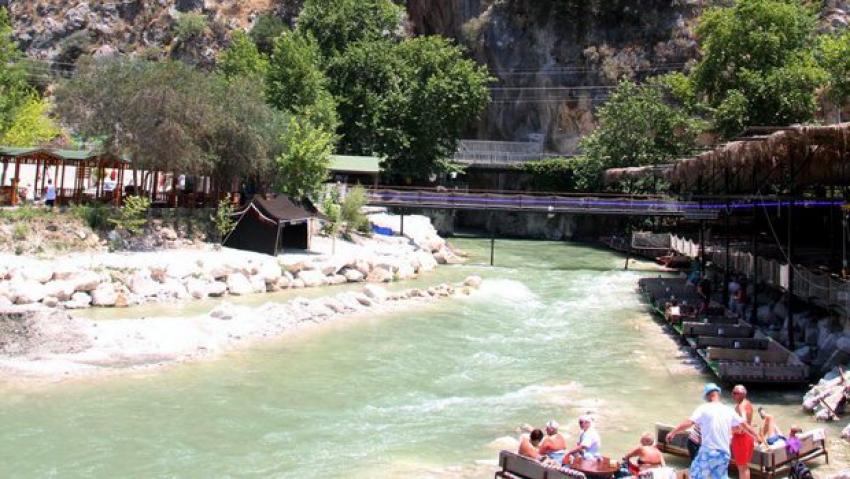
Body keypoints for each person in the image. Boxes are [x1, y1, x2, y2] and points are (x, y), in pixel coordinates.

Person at [666, 383, 758, 479]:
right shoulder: (728, 410)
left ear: (708, 395)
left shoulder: (704, 408)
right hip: (724, 453)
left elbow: (689, 422)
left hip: (708, 451)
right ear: (718, 394)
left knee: (695, 475)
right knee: (720, 477)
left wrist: (673, 432)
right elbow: (745, 425)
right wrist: (757, 436)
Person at [730, 385, 756, 479]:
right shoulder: (748, 403)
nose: (732, 395)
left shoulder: (741, 406)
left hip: (741, 438)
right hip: (748, 437)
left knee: (741, 467)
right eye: (732, 392)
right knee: (745, 467)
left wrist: (733, 430)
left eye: (735, 393)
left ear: (742, 394)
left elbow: (743, 421)